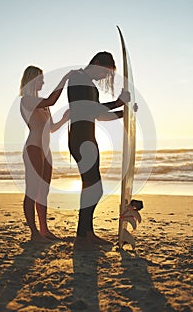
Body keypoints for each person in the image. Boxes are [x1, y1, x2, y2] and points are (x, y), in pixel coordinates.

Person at [67, 52, 137, 250]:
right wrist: (117, 103)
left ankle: (87, 233)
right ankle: (81, 237)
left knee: (94, 189)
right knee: (93, 188)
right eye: (105, 72)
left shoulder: (88, 83)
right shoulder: (77, 78)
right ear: (97, 63)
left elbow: (99, 115)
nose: (105, 77)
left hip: (88, 138)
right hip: (81, 140)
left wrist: (124, 113)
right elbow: (91, 109)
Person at [20, 65, 70, 243]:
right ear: (32, 79)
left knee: (44, 191)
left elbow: (52, 128)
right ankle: (34, 233)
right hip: (34, 147)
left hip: (46, 150)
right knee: (32, 191)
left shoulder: (43, 103)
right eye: (40, 78)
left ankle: (44, 230)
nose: (43, 81)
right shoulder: (26, 100)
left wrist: (65, 118)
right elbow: (51, 100)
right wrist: (64, 80)